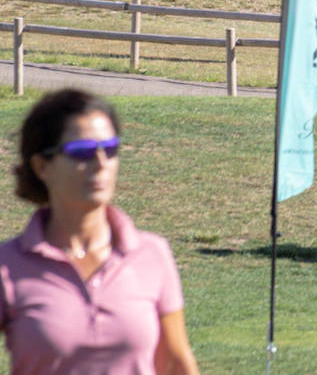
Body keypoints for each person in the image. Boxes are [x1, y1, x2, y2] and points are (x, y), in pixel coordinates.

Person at [0, 88, 199, 375]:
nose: (101, 163)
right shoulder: (8, 266)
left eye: (110, 149)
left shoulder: (152, 254)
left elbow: (176, 363)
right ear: (42, 166)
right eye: (81, 152)